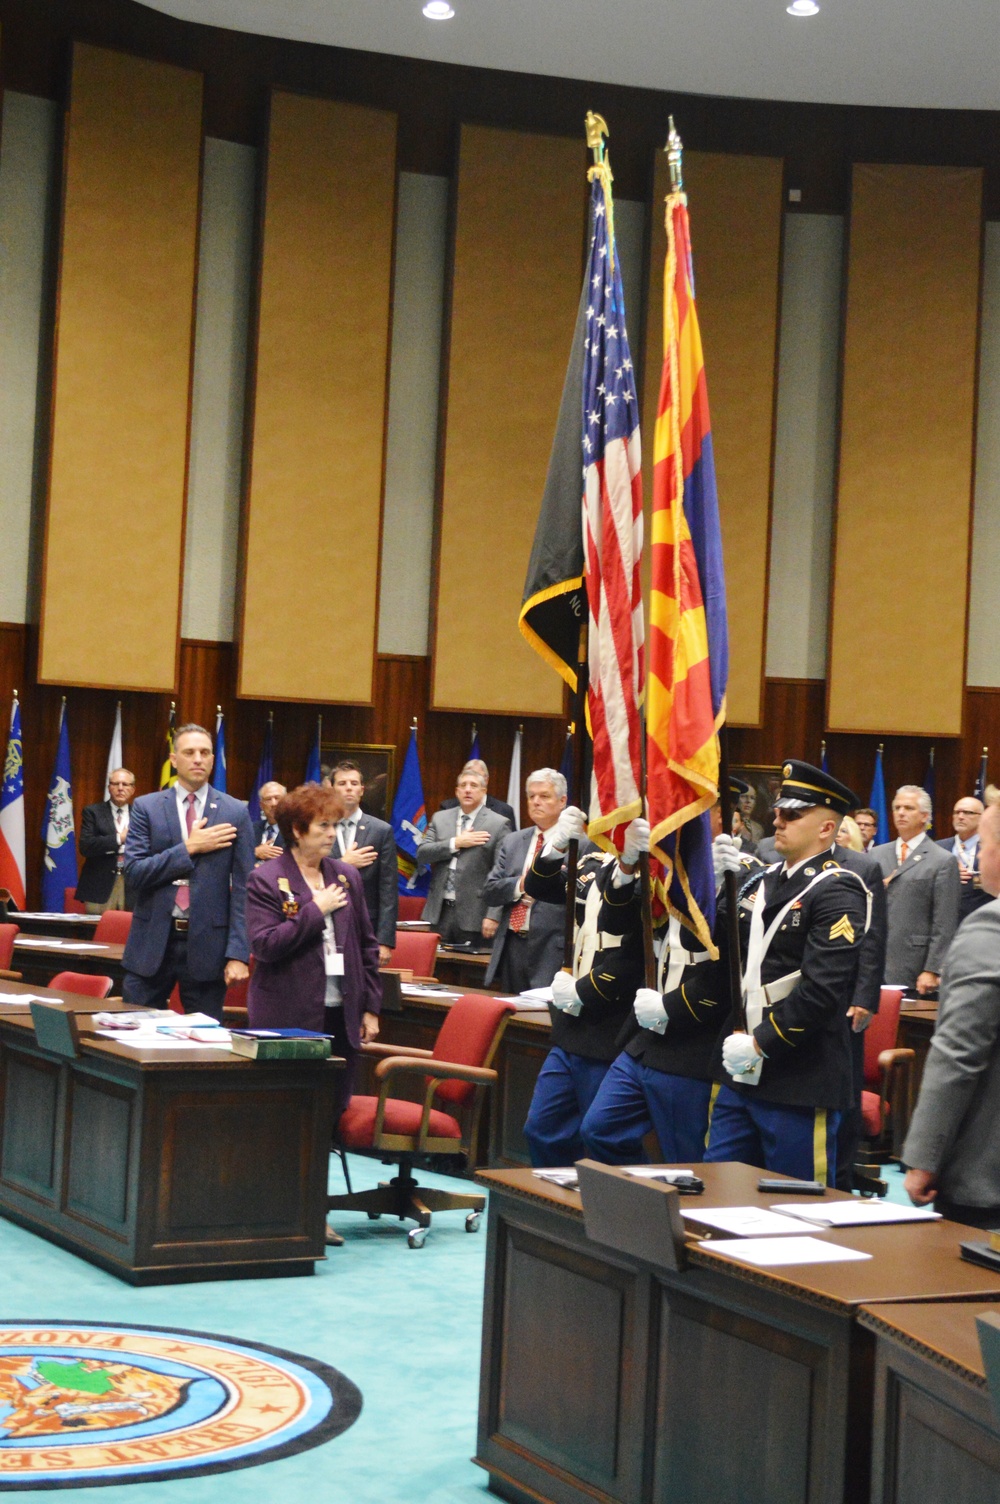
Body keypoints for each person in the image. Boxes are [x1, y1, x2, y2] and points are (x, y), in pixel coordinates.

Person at [694, 761, 870, 1185]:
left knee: (794, 1207)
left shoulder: (838, 890)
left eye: (793, 814)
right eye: (778, 812)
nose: (778, 820)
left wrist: (761, 1043)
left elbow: (821, 992)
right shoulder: (759, 880)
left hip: (797, 1072)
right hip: (738, 1067)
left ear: (827, 829)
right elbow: (720, 952)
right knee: (719, 1190)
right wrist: (714, 888)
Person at [581, 797, 761, 1166]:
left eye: (695, 810)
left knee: (689, 1161)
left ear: (721, 816)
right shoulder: (665, 866)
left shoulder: (747, 875)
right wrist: (627, 866)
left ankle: (682, 1221)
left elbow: (730, 967)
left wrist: (709, 891)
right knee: (599, 1129)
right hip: (645, 1036)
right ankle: (646, 1208)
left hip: (695, 1039)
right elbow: (617, 926)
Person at [246, 782, 381, 1247]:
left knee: (327, 1113)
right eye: (324, 826)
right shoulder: (266, 878)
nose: (332, 834)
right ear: (298, 830)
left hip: (339, 1014)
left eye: (335, 825)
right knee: (286, 1113)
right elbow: (265, 946)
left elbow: (365, 945)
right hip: (285, 1015)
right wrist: (312, 910)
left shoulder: (347, 876)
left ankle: (313, 1208)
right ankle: (277, 1208)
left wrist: (370, 1007)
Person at [520, 807, 647, 1166]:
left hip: (610, 1022)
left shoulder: (649, 871)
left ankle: (619, 1214)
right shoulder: (592, 862)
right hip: (570, 1025)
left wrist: (584, 993)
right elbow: (539, 886)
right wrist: (555, 847)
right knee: (542, 1129)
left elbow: (635, 954)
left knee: (603, 1138)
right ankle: (562, 1211)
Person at [903, 800, 1000, 1228]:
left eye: (988, 843)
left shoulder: (989, 927)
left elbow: (958, 1053)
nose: (980, 856)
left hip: (986, 1173)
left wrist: (924, 1157)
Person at [122, 723, 254, 1020]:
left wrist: (238, 953)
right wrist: (189, 848)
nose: (198, 759)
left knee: (204, 1044)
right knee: (132, 1034)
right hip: (152, 942)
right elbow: (134, 872)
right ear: (174, 759)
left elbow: (246, 888)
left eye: (205, 752)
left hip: (209, 946)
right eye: (189, 752)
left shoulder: (235, 811)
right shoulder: (147, 807)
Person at [482, 768, 577, 993]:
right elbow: (490, 889)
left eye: (544, 796)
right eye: (531, 796)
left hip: (553, 948)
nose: (536, 802)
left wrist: (544, 886)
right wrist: (523, 884)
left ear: (562, 801)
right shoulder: (513, 841)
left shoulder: (578, 845)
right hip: (512, 944)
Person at [871, 785, 960, 994]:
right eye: (897, 807)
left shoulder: (942, 860)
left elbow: (944, 922)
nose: (901, 813)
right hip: (871, 964)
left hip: (913, 966)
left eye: (909, 808)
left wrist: (933, 968)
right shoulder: (875, 855)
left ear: (924, 816)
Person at [418, 769, 510, 945]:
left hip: (475, 914)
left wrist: (493, 915)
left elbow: (503, 873)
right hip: (439, 913)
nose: (468, 790)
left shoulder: (498, 824)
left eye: (474, 786)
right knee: (437, 969)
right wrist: (456, 843)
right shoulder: (440, 818)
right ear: (457, 791)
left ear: (484, 792)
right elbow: (423, 853)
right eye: (463, 785)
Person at [329, 760, 398, 965]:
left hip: (366, 925)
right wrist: (344, 863)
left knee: (362, 987)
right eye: (342, 783)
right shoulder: (320, 827)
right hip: (328, 922)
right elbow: (310, 872)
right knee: (332, 982)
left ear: (362, 790)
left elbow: (388, 889)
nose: (348, 787)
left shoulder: (381, 830)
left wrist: (385, 941)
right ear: (332, 789)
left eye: (353, 783)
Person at [75, 768, 136, 913]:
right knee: (98, 931)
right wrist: (119, 838)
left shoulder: (142, 814)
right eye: (115, 784)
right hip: (100, 884)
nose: (120, 788)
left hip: (132, 885)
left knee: (129, 931)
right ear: (109, 788)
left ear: (132, 789)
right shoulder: (93, 812)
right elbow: (86, 846)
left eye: (125, 784)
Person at [937, 796, 991, 924]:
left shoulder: (992, 849)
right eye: (957, 812)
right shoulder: (938, 847)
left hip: (980, 923)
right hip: (944, 924)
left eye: (968, 812)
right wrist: (948, 874)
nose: (960, 816)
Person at [439, 758, 517, 831]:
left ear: (486, 780)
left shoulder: (504, 811)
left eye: (476, 776)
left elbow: (511, 843)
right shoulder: (447, 807)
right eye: (467, 777)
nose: (468, 788)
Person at [253, 781, 287, 862]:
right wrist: (255, 852)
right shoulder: (251, 829)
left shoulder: (295, 829)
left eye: (277, 798)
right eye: (268, 799)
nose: (274, 803)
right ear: (261, 805)